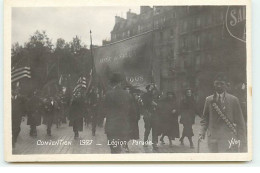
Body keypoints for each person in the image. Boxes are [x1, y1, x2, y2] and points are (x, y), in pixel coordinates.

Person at [199, 73, 247, 153]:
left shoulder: (234, 100)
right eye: (217, 83)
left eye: (221, 84)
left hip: (228, 137)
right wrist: (201, 132)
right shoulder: (209, 100)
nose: (219, 86)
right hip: (213, 138)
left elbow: (240, 121)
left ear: (226, 85)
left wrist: (242, 139)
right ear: (214, 84)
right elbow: (205, 118)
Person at [103, 73, 133, 153]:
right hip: (123, 126)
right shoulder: (127, 95)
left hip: (111, 126)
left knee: (114, 149)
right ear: (120, 83)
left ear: (112, 83)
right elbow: (131, 111)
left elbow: (104, 110)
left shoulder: (108, 94)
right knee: (118, 148)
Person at [142, 84, 160, 150]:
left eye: (153, 88)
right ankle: (145, 141)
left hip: (155, 114)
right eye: (150, 88)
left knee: (155, 130)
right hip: (148, 114)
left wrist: (157, 105)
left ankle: (154, 144)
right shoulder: (144, 95)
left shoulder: (156, 96)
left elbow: (159, 104)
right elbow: (144, 104)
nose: (152, 89)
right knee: (148, 129)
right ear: (147, 89)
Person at [11, 83, 27, 148]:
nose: (16, 92)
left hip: (18, 115)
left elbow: (24, 106)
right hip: (9, 115)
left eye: (17, 90)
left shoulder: (21, 98)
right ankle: (12, 142)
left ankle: (14, 139)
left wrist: (23, 115)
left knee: (17, 128)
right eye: (15, 90)